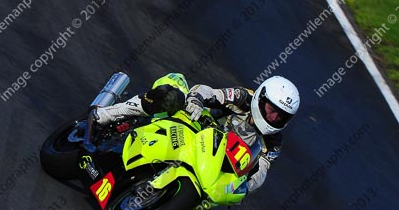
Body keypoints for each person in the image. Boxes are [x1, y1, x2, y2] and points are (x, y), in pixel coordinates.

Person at [91, 74, 300, 193]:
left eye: (280, 116)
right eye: (271, 110)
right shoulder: (244, 97)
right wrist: (196, 101)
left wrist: (243, 187)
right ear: (261, 99)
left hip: (213, 169)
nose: (273, 118)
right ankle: (108, 114)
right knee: (174, 90)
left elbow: (260, 172)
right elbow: (208, 92)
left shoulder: (273, 142)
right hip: (195, 128)